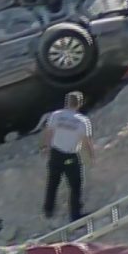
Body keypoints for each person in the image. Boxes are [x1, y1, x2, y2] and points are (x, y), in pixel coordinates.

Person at [41, 92, 94, 222]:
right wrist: (91, 155)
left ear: (66, 102)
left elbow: (49, 133)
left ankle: (48, 210)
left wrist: (45, 148)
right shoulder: (83, 120)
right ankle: (75, 215)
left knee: (53, 182)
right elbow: (86, 140)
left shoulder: (56, 115)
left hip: (55, 153)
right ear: (80, 103)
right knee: (75, 185)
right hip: (70, 156)